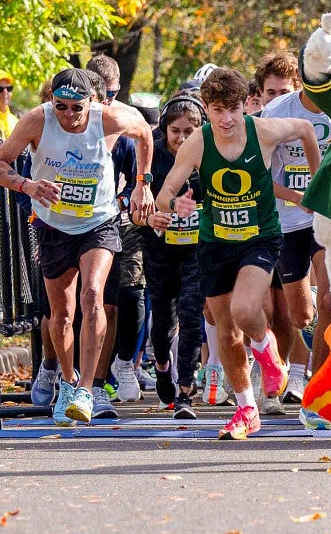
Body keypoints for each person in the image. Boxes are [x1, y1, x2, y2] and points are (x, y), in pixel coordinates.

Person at [155, 68, 321, 440]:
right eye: (218, 110)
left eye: (233, 109)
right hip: (215, 242)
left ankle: (267, 349)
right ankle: (247, 408)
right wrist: (170, 206)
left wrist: (317, 183)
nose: (227, 119)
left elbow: (308, 130)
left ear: (246, 106)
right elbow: (166, 190)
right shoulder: (198, 142)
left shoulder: (262, 131)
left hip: (259, 238)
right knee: (226, 333)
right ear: (207, 109)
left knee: (244, 309)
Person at [0, 68, 154, 425]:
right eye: (61, 107)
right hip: (53, 225)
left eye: (77, 108)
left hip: (99, 222)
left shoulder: (109, 118)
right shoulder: (36, 121)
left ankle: (87, 389)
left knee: (93, 295)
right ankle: (67, 380)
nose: (69, 116)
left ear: (91, 103)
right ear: (51, 102)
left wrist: (143, 183)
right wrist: (26, 186)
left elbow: (144, 135)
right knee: (61, 314)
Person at [258, 56, 331, 407]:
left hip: (328, 219)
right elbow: (260, 176)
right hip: (287, 219)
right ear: (302, 77)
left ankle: (315, 385)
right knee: (299, 315)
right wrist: (296, 195)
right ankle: (292, 354)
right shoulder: (276, 111)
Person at [140, 95, 208, 418]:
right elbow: (130, 199)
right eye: (175, 131)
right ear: (164, 128)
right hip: (159, 248)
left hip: (197, 248)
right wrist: (150, 215)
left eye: (189, 131)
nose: (182, 139)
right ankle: (162, 364)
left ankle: (185, 393)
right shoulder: (150, 153)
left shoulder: (209, 152)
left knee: (192, 313)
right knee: (164, 320)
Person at [86, 53, 144, 416]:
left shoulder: (122, 123)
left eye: (111, 93)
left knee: (107, 299)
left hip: (110, 223)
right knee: (62, 309)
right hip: (63, 225)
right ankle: (58, 374)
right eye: (99, 94)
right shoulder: (61, 118)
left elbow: (141, 157)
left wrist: (137, 191)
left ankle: (98, 381)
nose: (105, 102)